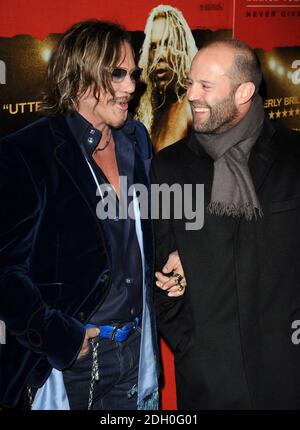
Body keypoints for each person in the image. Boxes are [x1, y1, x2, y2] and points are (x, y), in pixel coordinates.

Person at [0, 20, 185, 411]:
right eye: (117, 74)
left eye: (132, 74)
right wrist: (59, 339)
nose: (132, 87)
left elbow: (143, 228)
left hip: (137, 347)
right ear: (81, 75)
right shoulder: (28, 152)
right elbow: (5, 273)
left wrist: (169, 256)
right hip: (74, 363)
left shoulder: (135, 139)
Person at [152, 39, 300, 409]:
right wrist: (191, 346)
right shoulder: (168, 167)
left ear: (244, 91)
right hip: (208, 381)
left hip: (288, 374)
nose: (192, 96)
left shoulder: (295, 157)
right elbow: (159, 272)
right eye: (190, 83)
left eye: (206, 86)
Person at [135, 5, 197, 152]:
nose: (159, 56)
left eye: (167, 44)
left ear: (182, 48)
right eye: (153, 46)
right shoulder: (147, 111)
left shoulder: (193, 106)